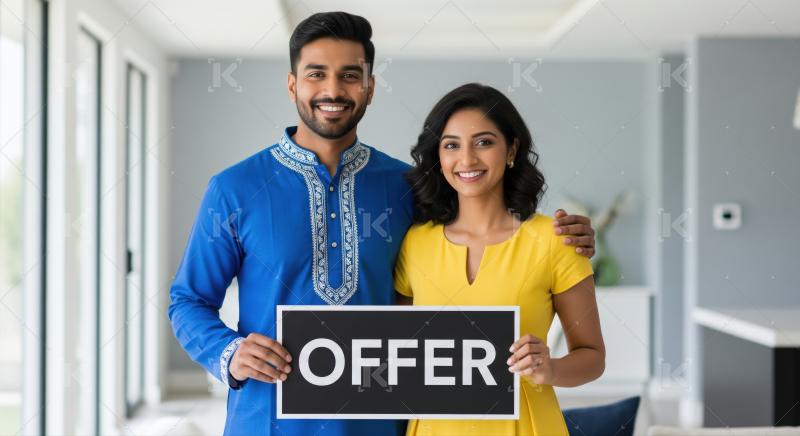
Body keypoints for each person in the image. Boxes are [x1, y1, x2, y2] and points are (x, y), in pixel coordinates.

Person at [168, 12, 598, 436]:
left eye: (350, 75)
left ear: (370, 88)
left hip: (379, 422)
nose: (333, 89)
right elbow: (187, 300)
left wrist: (567, 235)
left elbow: (480, 225)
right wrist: (230, 351)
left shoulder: (406, 187)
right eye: (316, 74)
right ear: (292, 84)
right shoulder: (235, 189)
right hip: (268, 421)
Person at [394, 83, 606, 435]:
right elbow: (397, 354)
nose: (467, 159)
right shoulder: (415, 242)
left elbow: (592, 357)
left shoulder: (556, 240)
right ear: (439, 157)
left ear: (512, 150)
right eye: (451, 145)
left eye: (484, 142)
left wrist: (549, 368)